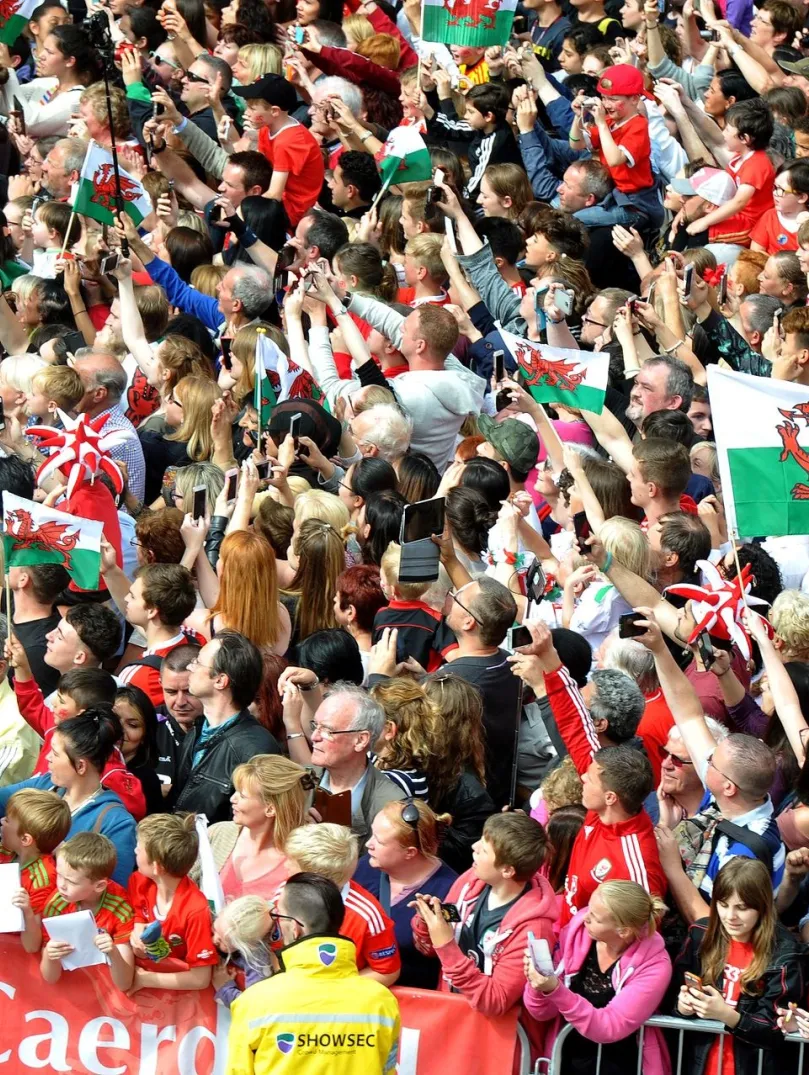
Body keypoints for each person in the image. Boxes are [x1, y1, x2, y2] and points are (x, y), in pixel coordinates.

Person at [509, 622, 665, 927]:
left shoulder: (636, 861)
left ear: (610, 796)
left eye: (589, 778)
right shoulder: (604, 790)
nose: (582, 776)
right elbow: (573, 724)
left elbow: (641, 931)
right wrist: (549, 658)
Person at [411, 812, 556, 1058]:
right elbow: (430, 948)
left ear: (508, 870)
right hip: (455, 1030)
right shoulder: (471, 882)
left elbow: (495, 1000)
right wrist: (427, 924)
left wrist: (444, 943)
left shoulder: (534, 928)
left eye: (485, 850)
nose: (473, 846)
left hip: (496, 1049)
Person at [226, 872, 400, 1075]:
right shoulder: (382, 1002)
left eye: (279, 916)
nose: (277, 923)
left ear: (296, 928)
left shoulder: (254, 1002)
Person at [672, 858, 806, 1075]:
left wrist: (726, 1014)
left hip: (754, 1065)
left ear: (762, 907)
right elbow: (669, 1003)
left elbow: (775, 1028)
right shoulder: (700, 935)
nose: (730, 916)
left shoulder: (786, 953)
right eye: (723, 905)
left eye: (741, 908)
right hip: (699, 1062)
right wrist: (682, 1007)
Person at [523, 881, 672, 1075]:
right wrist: (537, 983)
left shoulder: (655, 964)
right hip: (566, 1059)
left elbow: (610, 1026)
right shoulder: (576, 933)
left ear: (623, 931)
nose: (585, 917)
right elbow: (542, 1012)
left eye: (595, 917)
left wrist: (555, 990)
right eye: (589, 909)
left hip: (622, 1064)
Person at [0, 708, 137, 886]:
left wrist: (66, 854)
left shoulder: (116, 824)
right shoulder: (45, 785)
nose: (47, 757)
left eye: (55, 754)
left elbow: (114, 891)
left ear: (81, 766)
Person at [170, 632, 280, 822]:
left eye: (197, 662)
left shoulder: (255, 749)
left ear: (220, 680)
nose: (190, 667)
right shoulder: (197, 729)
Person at [355, 799, 457, 988]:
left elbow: (446, 954)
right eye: (372, 834)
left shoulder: (449, 893)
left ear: (410, 852)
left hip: (408, 1003)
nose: (369, 844)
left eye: (379, 841)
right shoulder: (365, 866)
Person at [284, 822, 401, 987]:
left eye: (291, 862)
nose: (285, 866)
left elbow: (386, 971)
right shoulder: (284, 893)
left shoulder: (368, 915)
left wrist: (335, 988)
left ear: (316, 879)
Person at [190, 754, 311, 901]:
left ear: (270, 809)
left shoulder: (300, 861)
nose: (232, 799)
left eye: (242, 795)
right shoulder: (218, 834)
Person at [127, 813, 219, 993]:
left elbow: (200, 978)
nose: (135, 850)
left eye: (140, 847)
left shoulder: (195, 910)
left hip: (183, 1002)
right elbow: (138, 913)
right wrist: (137, 929)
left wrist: (146, 979)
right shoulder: (138, 881)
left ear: (157, 867)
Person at [40, 833, 135, 990]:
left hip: (105, 999)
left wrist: (113, 952)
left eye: (71, 881)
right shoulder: (55, 905)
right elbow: (50, 978)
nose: (61, 885)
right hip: (70, 994)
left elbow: (124, 984)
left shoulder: (120, 909)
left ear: (99, 886)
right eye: (59, 875)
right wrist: (50, 956)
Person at [0, 788, 70, 919]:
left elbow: (31, 926)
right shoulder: (6, 849)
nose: (2, 820)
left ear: (25, 839)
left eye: (7, 820)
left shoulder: (43, 879)